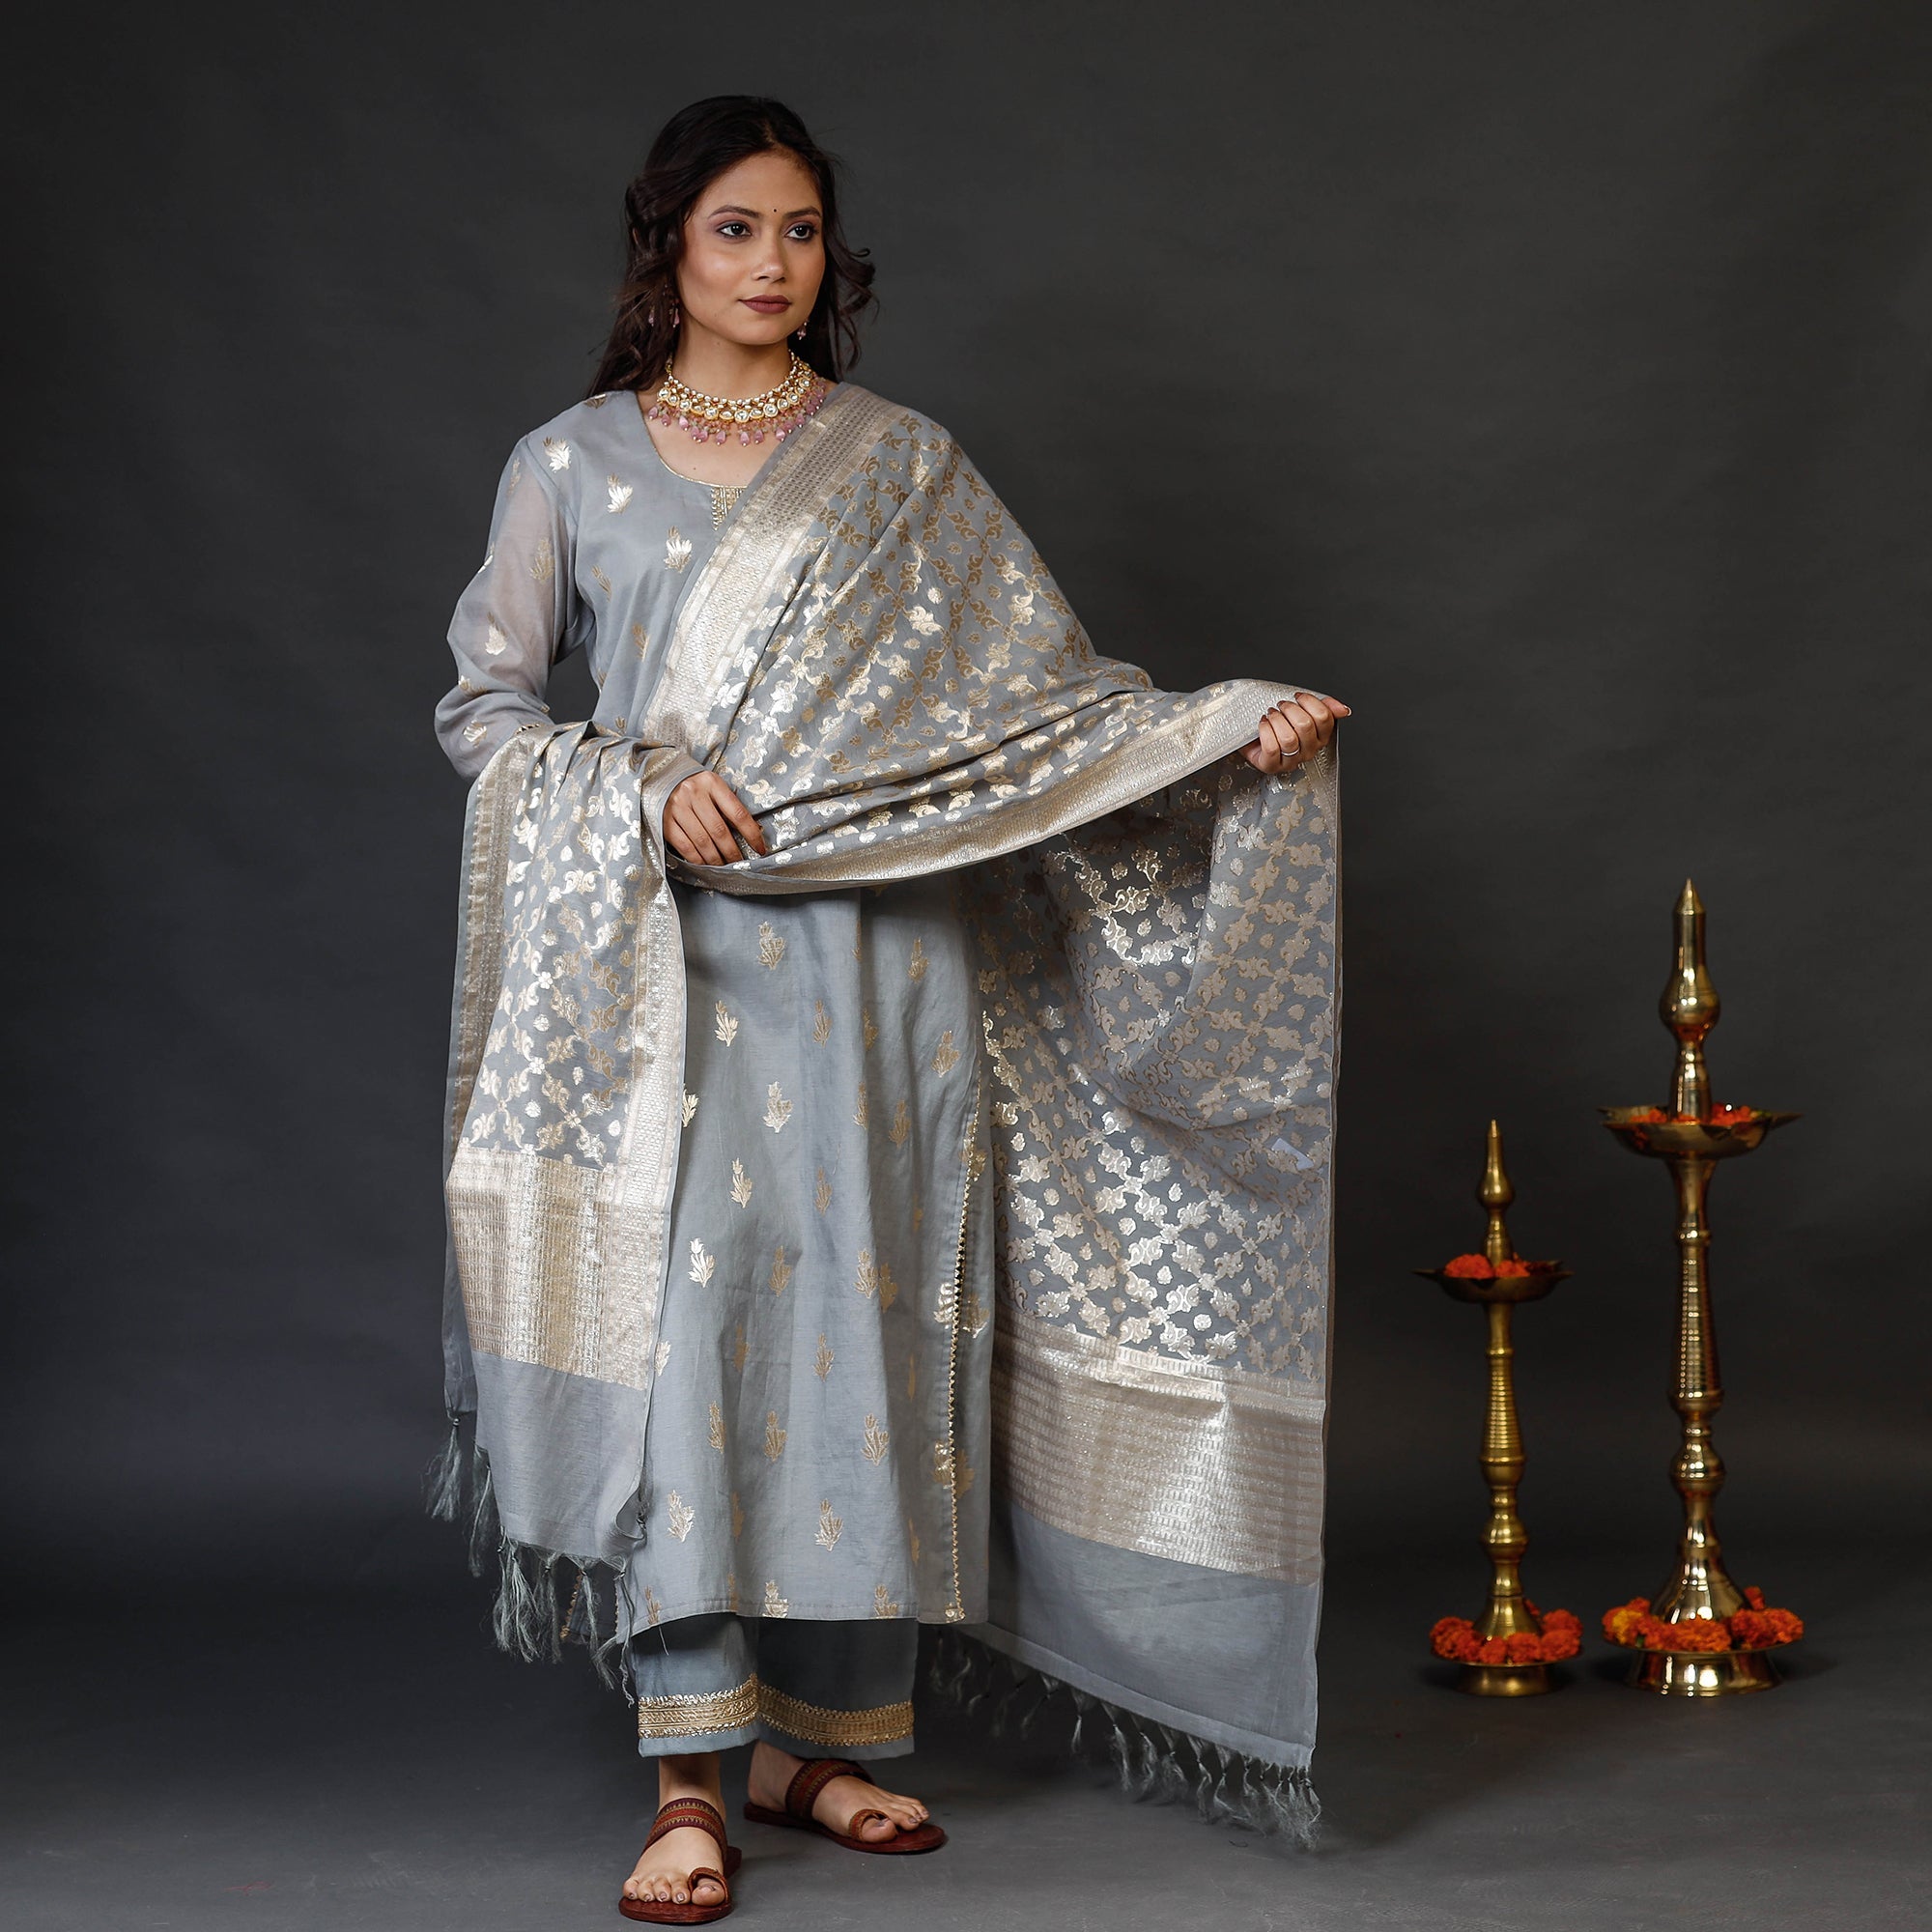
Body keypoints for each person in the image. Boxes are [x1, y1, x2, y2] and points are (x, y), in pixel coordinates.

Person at [435, 95, 1347, 1923]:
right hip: (677, 975)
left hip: (884, 970)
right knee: (695, 1351)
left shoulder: (904, 465)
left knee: (863, 1330)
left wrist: (1224, 734)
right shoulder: (570, 464)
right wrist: (634, 786)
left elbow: (1044, 712)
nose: (772, 265)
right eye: (734, 230)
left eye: (799, 233)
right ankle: (689, 1773)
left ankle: (821, 1745)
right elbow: (485, 710)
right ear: (667, 247)